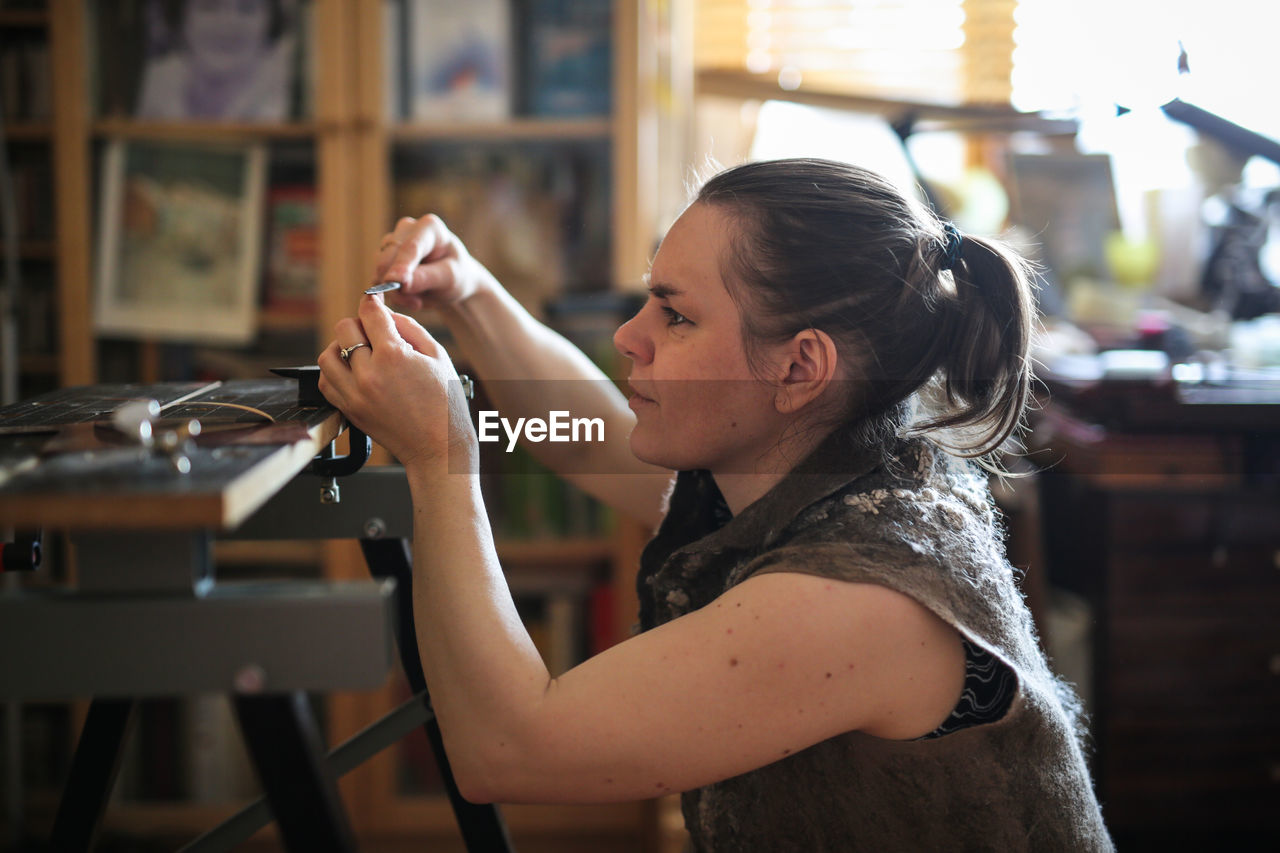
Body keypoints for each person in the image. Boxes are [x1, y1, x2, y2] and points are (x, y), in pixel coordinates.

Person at [317, 158, 1114, 851]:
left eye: (676, 314)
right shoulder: (825, 465)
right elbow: (588, 433)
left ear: (801, 367)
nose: (630, 335)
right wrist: (469, 291)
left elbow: (504, 747)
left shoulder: (858, 599)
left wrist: (439, 453)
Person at [135, 0, 296, 121]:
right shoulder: (157, 84)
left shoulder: (289, 97)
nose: (228, 23)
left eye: (247, 9)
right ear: (182, 18)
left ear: (271, 22)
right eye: (209, 7)